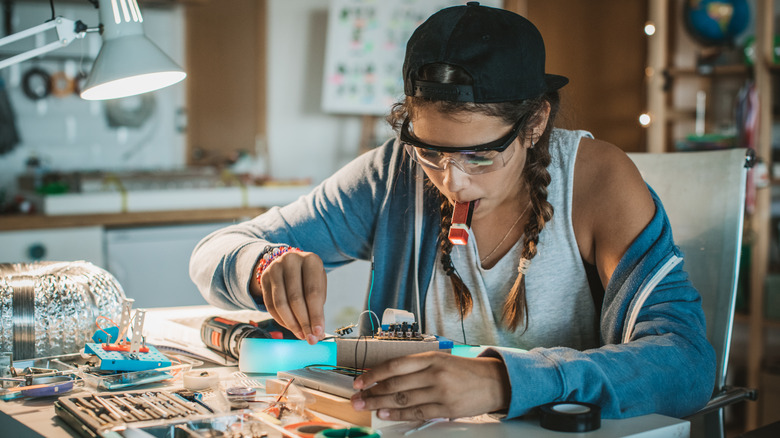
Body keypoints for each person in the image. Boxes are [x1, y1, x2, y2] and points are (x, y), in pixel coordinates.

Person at [190, 2, 715, 422]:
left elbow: (686, 363)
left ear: (534, 123)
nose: (451, 180)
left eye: (480, 156)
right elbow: (213, 252)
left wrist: (503, 380)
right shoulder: (394, 173)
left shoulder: (597, 180)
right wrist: (262, 267)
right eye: (430, 151)